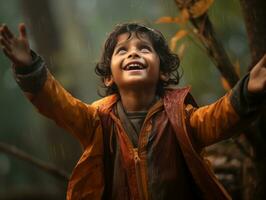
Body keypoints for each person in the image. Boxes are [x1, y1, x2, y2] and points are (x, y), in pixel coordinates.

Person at [0, 22, 265, 200]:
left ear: (162, 71)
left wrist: (247, 91)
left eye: (144, 49)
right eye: (122, 51)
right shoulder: (96, 120)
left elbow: (218, 119)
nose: (133, 54)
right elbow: (58, 105)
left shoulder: (181, 116)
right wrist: (29, 69)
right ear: (109, 78)